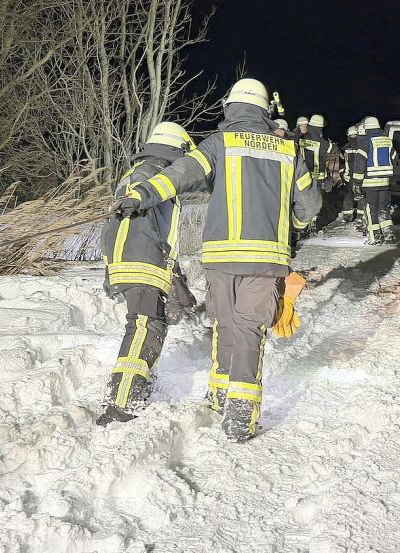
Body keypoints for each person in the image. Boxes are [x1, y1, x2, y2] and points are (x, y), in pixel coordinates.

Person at [111, 78, 321, 441]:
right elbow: (311, 205)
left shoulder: (220, 142)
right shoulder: (289, 151)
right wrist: (294, 226)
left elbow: (179, 175)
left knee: (224, 324)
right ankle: (241, 416)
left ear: (231, 107)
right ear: (265, 110)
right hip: (265, 258)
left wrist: (141, 195)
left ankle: (220, 396)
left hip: (221, 257)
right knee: (250, 329)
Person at [97, 122, 198, 426]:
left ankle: (132, 388)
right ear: (178, 150)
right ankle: (123, 401)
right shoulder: (152, 173)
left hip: (137, 260)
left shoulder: (143, 171)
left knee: (149, 325)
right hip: (142, 262)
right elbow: (132, 220)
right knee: (144, 327)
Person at [356, 116, 395, 244]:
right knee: (383, 208)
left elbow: (360, 164)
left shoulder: (365, 142)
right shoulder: (388, 141)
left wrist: (357, 182)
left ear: (367, 129)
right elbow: (394, 157)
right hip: (385, 182)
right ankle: (388, 234)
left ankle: (374, 237)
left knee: (371, 208)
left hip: (370, 182)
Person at [340, 125, 364, 222]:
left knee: (349, 194)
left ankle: (347, 215)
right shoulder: (363, 146)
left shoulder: (345, 147)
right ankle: (361, 216)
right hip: (361, 175)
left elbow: (343, 161)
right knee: (361, 194)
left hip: (349, 176)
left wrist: (343, 174)